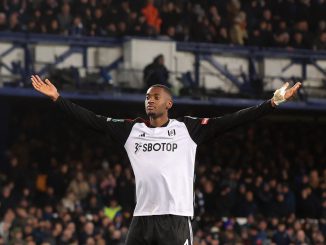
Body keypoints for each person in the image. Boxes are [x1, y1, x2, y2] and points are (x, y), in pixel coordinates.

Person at [31, 74, 301, 245]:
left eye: (156, 97)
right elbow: (92, 120)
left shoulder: (188, 129)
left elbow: (232, 121)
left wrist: (271, 103)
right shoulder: (132, 130)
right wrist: (57, 99)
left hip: (176, 218)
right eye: (147, 97)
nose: (150, 101)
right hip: (143, 217)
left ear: (168, 104)